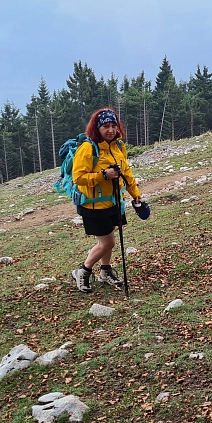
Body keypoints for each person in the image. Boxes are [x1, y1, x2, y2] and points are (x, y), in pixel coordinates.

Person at [70, 108, 144, 293]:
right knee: (108, 243)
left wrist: (135, 194)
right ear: (97, 128)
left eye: (113, 125)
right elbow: (78, 177)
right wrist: (104, 175)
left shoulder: (118, 146)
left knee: (109, 236)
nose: (110, 130)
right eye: (105, 126)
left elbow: (126, 173)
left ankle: (105, 271)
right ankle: (83, 270)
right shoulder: (88, 148)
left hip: (114, 202)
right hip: (93, 205)